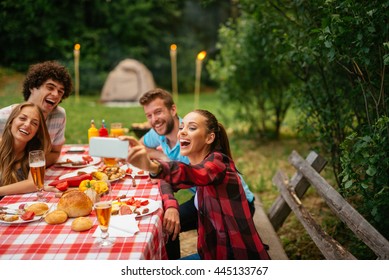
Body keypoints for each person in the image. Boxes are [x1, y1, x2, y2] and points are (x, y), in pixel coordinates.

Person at [121, 109, 270, 260]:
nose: (182, 132)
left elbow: (192, 174)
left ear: (209, 138)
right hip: (211, 253)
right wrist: (172, 206)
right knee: (167, 226)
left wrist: (154, 167)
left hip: (236, 257)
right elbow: (167, 181)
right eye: (181, 128)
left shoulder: (217, 163)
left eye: (191, 128)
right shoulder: (198, 163)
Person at [0, 60, 73, 167]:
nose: (56, 94)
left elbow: (55, 152)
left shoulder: (59, 115)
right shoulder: (3, 117)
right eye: (50, 87)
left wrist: (31, 165)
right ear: (32, 87)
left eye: (60, 91)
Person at [0, 102, 51, 199]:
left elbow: (34, 184)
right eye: (22, 118)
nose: (27, 125)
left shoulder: (36, 153)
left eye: (34, 123)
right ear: (11, 121)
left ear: (37, 131)